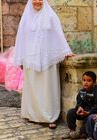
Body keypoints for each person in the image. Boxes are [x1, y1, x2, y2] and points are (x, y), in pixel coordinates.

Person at [13, 0, 74, 129]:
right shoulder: (26, 19)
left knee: (48, 89)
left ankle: (50, 117)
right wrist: (21, 58)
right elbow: (21, 39)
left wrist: (66, 51)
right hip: (31, 59)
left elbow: (58, 34)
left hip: (48, 59)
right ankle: (33, 115)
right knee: (33, 88)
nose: (37, 1)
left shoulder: (51, 16)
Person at [62, 71, 97, 139]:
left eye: (89, 81)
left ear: (94, 82)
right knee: (71, 112)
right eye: (84, 80)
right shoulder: (81, 91)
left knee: (89, 119)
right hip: (82, 112)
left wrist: (88, 112)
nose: (86, 82)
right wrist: (79, 107)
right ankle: (72, 130)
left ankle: (80, 133)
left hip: (91, 113)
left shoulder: (96, 92)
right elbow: (79, 101)